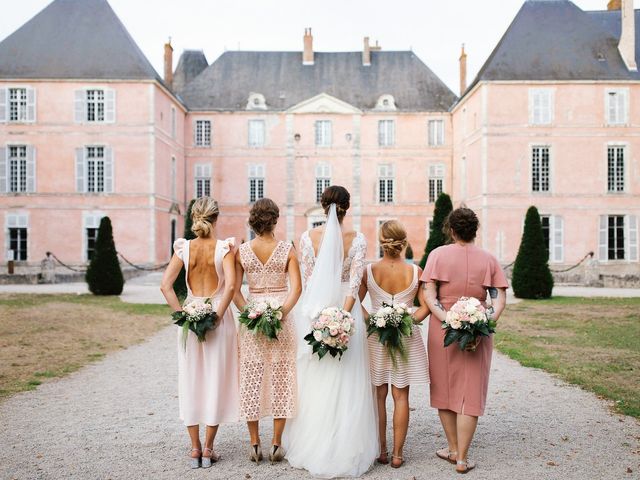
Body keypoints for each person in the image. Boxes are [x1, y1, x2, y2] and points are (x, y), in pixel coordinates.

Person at [282, 186, 378, 478]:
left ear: (323, 207)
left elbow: (309, 282)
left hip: (316, 311)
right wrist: (344, 315)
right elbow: (354, 285)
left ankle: (316, 439)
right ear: (347, 207)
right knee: (349, 378)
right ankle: (345, 442)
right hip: (345, 312)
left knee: (318, 378)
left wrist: (323, 316)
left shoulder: (307, 238)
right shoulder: (358, 239)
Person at [421, 207, 507, 474]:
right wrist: (484, 322)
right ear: (474, 230)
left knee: (445, 388)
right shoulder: (489, 259)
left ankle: (454, 448)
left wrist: (448, 319)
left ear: (452, 230)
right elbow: (499, 299)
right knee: (470, 392)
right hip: (478, 332)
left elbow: (429, 295)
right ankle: (462, 458)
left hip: (442, 329)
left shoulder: (437, 255)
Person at [160, 197, 239, 469]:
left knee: (191, 379)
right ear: (216, 218)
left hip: (191, 317)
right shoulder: (224, 248)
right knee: (215, 379)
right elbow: (230, 286)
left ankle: (194, 448)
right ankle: (208, 447)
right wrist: (217, 315)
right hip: (218, 316)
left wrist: (183, 314)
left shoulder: (184, 248)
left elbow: (165, 286)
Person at [233, 198, 302, 464]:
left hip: (252, 321)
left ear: (253, 221)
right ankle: (276, 444)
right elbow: (296, 289)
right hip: (281, 320)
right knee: (282, 376)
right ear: (275, 220)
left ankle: (254, 444)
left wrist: (250, 314)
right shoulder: (287, 250)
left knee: (251, 375)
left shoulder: (242, 251)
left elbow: (236, 290)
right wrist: (280, 314)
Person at [359, 220, 430, 469]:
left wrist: (373, 321)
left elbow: (355, 304)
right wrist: (405, 321)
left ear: (382, 241)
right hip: (405, 339)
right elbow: (425, 307)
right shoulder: (415, 271)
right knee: (401, 396)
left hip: (376, 339)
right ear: (404, 242)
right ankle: (398, 455)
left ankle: (382, 450)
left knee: (379, 395)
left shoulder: (369, 271)